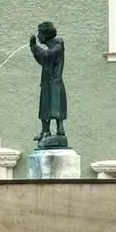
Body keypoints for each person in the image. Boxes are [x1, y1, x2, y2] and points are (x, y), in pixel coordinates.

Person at [30, 21, 68, 149]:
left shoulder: (57, 48)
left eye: (40, 33)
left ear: (45, 35)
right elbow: (43, 60)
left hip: (54, 83)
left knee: (55, 108)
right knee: (45, 108)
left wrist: (34, 47)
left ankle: (59, 131)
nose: (38, 36)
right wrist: (34, 48)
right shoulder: (54, 47)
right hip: (48, 83)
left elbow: (47, 57)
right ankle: (45, 131)